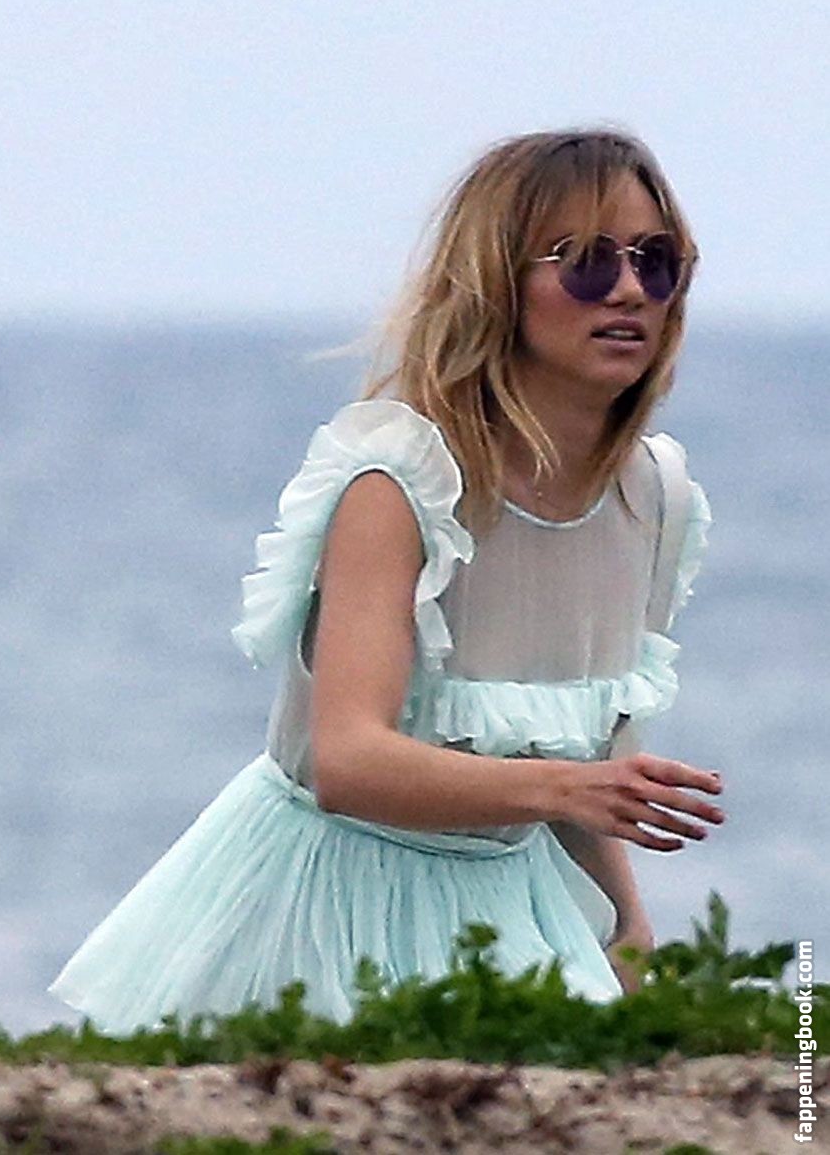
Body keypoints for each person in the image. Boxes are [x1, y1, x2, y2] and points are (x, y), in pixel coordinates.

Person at [50, 128, 724, 1030]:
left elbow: (575, 762)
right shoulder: (398, 481)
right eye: (585, 261)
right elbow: (348, 761)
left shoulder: (654, 497)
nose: (630, 289)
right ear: (496, 282)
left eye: (656, 260)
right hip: (327, 906)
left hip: (512, 902)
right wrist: (568, 788)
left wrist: (626, 924)